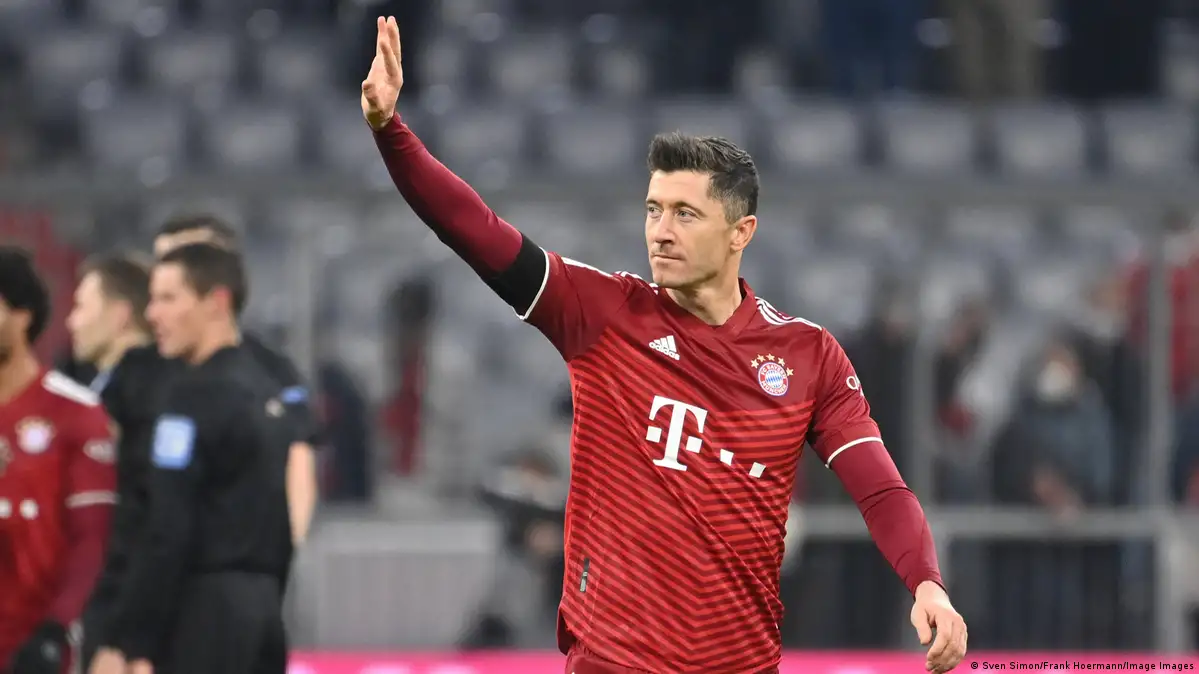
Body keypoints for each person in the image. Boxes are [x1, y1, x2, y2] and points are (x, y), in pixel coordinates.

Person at [361, 16, 968, 673]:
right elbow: (474, 229)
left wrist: (927, 584)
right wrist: (391, 132)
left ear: (740, 232)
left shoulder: (807, 356)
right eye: (653, 210)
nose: (661, 231)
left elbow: (880, 491)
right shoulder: (602, 314)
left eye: (685, 214)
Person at [90, 244, 293, 674]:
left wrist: (128, 642)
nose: (153, 315)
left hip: (203, 614)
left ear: (216, 302)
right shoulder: (268, 390)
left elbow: (167, 528)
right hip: (264, 612)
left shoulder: (189, 399)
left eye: (168, 298)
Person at [0, 246, 117, 674]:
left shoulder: (75, 413)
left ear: (21, 316)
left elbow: (92, 539)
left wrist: (57, 628)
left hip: (33, 649)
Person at [65, 254, 153, 395]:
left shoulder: (144, 395)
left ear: (119, 315)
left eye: (80, 306)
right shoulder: (106, 388)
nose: (71, 322)